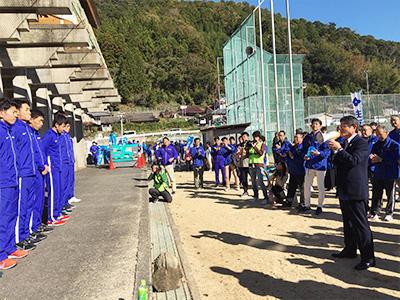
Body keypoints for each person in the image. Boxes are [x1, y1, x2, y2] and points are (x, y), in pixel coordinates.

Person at [328, 115, 375, 271]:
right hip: (344, 188)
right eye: (341, 126)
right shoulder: (344, 142)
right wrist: (335, 152)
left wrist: (339, 150)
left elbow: (354, 161)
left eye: (344, 126)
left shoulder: (361, 143)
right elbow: (338, 162)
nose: (341, 129)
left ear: (354, 127)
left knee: (361, 224)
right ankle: (350, 249)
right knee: (347, 223)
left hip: (356, 189)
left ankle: (368, 257)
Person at [0, 98, 29, 270]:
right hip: (3, 181)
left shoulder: (9, 131)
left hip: (13, 179)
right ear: (2, 113)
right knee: (3, 218)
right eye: (13, 112)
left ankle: (10, 248)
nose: (16, 115)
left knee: (11, 216)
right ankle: (1, 255)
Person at [11, 99, 43, 251]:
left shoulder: (26, 129)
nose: (29, 113)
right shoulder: (16, 128)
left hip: (30, 172)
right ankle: (19, 239)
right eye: (27, 110)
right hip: (22, 173)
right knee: (21, 207)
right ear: (17, 111)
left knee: (29, 205)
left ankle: (25, 234)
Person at [29, 109, 52, 237]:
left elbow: (41, 153)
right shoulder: (28, 133)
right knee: (33, 201)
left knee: (40, 199)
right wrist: (40, 166)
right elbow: (33, 154)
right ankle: (32, 228)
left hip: (42, 170)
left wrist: (45, 165)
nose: (42, 124)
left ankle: (37, 225)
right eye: (40, 121)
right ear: (31, 119)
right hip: (35, 171)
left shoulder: (36, 134)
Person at [369, 125, 400, 222]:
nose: (378, 136)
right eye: (377, 134)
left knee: (390, 194)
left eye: (380, 134)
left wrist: (382, 159)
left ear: (386, 133)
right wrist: (372, 158)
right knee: (376, 193)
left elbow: (397, 160)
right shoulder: (376, 144)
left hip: (390, 173)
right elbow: (372, 154)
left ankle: (389, 213)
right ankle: (375, 212)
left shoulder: (395, 145)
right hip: (378, 172)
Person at [43, 113, 69, 226]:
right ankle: (51, 218)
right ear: (56, 124)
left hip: (58, 167)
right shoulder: (49, 135)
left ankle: (57, 213)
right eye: (62, 126)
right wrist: (45, 165)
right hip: (51, 168)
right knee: (53, 193)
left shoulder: (57, 136)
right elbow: (42, 150)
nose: (63, 129)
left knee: (58, 191)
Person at [301, 118, 330, 215]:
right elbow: (303, 149)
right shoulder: (307, 137)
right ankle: (307, 205)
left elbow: (327, 152)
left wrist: (319, 153)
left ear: (320, 126)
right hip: (309, 165)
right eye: (313, 124)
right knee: (306, 186)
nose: (314, 126)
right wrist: (304, 156)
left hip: (320, 165)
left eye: (317, 124)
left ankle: (319, 206)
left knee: (320, 187)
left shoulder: (324, 137)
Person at [283, 132, 305, 208]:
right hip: (293, 171)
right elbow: (288, 156)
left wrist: (293, 156)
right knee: (291, 187)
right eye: (295, 137)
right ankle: (289, 201)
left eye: (297, 137)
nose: (296, 139)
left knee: (302, 188)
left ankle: (302, 203)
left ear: (302, 138)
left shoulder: (303, 147)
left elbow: (301, 158)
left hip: (301, 171)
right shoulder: (293, 147)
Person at [248, 131, 269, 204]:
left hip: (259, 165)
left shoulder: (262, 144)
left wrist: (254, 147)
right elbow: (249, 154)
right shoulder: (251, 145)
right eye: (254, 137)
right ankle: (256, 196)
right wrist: (249, 146)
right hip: (251, 165)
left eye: (256, 137)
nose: (254, 138)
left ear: (259, 137)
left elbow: (260, 153)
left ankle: (266, 197)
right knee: (253, 182)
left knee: (260, 182)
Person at [389, 115, 400, 202]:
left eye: (395, 120)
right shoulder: (391, 134)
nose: (393, 122)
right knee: (397, 179)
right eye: (392, 121)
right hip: (395, 159)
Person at [238, 132, 250, 197]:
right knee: (244, 179)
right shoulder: (241, 144)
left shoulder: (250, 143)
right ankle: (245, 191)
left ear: (248, 137)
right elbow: (238, 153)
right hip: (242, 164)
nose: (243, 138)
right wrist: (239, 153)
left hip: (249, 163)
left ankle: (256, 193)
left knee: (254, 179)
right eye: (242, 136)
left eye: (245, 136)